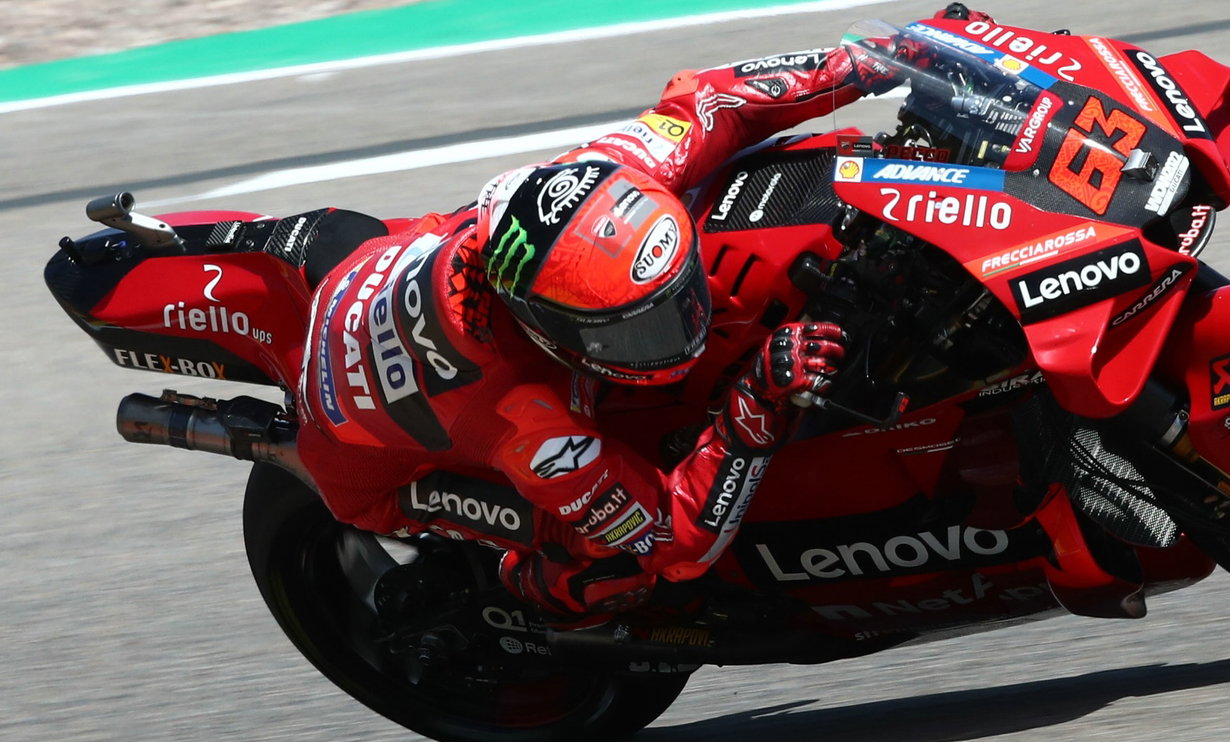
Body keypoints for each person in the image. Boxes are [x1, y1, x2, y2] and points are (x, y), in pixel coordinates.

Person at [294, 7, 989, 628]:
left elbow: (714, 104)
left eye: (675, 298)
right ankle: (525, 598)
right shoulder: (526, 424)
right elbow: (673, 540)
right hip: (377, 467)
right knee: (614, 567)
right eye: (636, 329)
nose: (682, 326)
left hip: (392, 260)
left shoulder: (610, 171)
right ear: (549, 330)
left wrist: (871, 63)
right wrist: (753, 406)